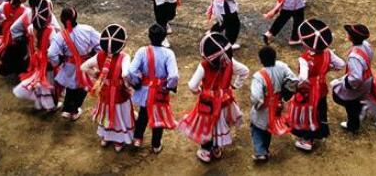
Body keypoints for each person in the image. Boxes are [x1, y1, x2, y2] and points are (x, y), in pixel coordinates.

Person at [178, 32, 249, 163]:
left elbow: (192, 85)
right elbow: (244, 71)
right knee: (221, 122)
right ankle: (216, 148)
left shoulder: (204, 65)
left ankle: (205, 151)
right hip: (225, 100)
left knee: (207, 125)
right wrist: (234, 86)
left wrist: (198, 91)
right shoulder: (229, 61)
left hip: (208, 103)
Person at [287, 19, 345, 151]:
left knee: (308, 113)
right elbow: (341, 64)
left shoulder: (304, 59)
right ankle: (321, 131)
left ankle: (307, 140)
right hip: (322, 88)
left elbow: (303, 78)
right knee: (321, 108)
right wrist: (327, 69)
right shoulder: (328, 53)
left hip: (309, 91)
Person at [81, 24, 135, 152]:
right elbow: (125, 74)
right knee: (119, 114)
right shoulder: (124, 57)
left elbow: (83, 67)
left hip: (105, 91)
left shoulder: (99, 56)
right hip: (119, 93)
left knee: (106, 112)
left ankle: (106, 137)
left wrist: (97, 75)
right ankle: (118, 141)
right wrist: (129, 86)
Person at [127, 24, 179, 154]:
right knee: (158, 117)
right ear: (164, 37)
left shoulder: (142, 51)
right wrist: (169, 87)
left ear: (149, 36)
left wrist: (136, 82)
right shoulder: (168, 53)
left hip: (144, 91)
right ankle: (156, 145)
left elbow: (131, 70)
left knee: (143, 114)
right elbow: (173, 75)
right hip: (159, 92)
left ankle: (137, 139)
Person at [48, 7, 100, 121]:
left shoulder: (60, 36)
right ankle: (72, 111)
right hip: (86, 64)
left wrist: (57, 61)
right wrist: (95, 55)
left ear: (61, 20)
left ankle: (68, 110)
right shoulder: (88, 29)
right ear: (76, 16)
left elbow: (51, 53)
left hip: (70, 66)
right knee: (82, 88)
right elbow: (100, 43)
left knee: (71, 86)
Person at [250, 46, 297, 162]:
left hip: (264, 108)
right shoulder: (281, 66)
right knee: (268, 127)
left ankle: (260, 152)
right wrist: (286, 93)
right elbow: (293, 79)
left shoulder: (259, 76)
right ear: (275, 57)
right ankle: (265, 149)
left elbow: (256, 97)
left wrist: (257, 106)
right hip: (277, 105)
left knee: (257, 127)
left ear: (261, 60)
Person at [13, 0, 60, 111]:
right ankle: (50, 106)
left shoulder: (30, 28)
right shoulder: (51, 31)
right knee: (47, 82)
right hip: (47, 61)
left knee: (39, 80)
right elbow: (54, 49)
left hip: (36, 59)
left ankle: (40, 103)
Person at [331, 24, 373, 133]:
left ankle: (353, 125)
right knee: (354, 99)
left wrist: (345, 83)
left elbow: (356, 78)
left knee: (345, 99)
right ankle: (360, 106)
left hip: (360, 82)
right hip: (367, 77)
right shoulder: (366, 45)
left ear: (351, 37)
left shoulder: (354, 56)